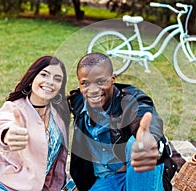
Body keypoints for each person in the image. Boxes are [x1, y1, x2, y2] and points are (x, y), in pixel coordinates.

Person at [67, 53, 175, 191]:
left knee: (137, 145)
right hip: (106, 180)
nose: (93, 90)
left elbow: (142, 112)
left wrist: (149, 136)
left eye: (100, 82)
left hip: (137, 174)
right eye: (85, 83)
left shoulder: (130, 99)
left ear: (112, 79)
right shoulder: (78, 102)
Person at [0, 56, 71, 191]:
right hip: (1, 183)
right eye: (44, 74)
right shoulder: (15, 108)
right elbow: (3, 127)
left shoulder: (58, 113)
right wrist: (7, 135)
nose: (50, 82)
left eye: (57, 79)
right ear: (32, 79)